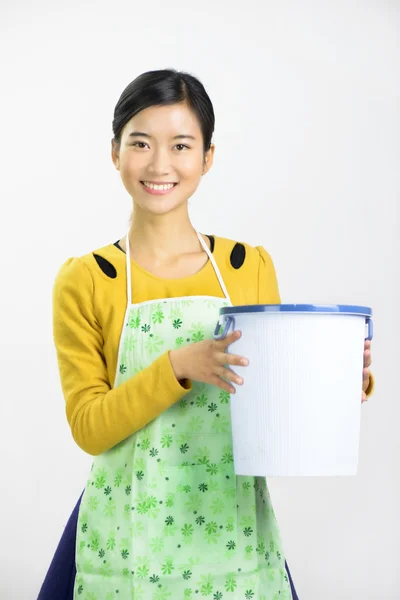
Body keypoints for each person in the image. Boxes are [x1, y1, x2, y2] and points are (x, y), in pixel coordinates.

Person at [38, 69, 374, 600]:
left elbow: (271, 409)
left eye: (181, 145)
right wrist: (177, 367)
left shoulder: (247, 267)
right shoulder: (86, 279)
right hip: (126, 529)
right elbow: (89, 428)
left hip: (229, 523)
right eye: (141, 142)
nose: (159, 164)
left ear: (207, 157)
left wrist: (332, 382)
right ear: (114, 151)